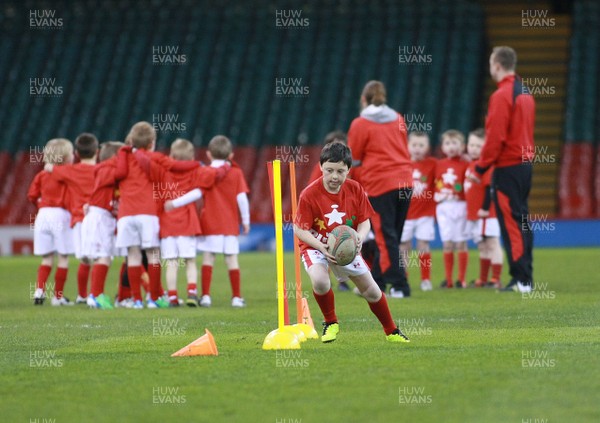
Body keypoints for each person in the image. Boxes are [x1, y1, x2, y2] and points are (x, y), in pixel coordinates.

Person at [293, 141, 410, 343]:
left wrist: (359, 239)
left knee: (372, 292)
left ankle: (392, 332)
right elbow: (299, 229)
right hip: (316, 245)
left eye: (341, 171)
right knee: (320, 281)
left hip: (346, 247)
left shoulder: (355, 189)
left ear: (349, 170)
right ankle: (331, 323)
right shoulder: (309, 194)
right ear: (320, 167)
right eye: (329, 170)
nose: (335, 176)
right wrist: (321, 246)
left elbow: (365, 221)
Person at [114, 122, 199, 308]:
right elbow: (177, 166)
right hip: (147, 212)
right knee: (153, 255)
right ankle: (153, 298)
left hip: (126, 213)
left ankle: (136, 300)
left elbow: (114, 173)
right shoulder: (154, 158)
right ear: (152, 142)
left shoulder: (122, 157)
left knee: (133, 256)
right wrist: (197, 164)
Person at [471, 46, 535, 293]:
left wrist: (480, 168)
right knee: (522, 221)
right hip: (524, 164)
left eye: (490, 64)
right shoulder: (525, 91)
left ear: (497, 65)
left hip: (508, 166)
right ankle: (525, 275)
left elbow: (495, 137)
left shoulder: (501, 95)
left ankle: (521, 279)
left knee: (512, 223)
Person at [347, 80, 413, 298]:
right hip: (405, 181)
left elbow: (353, 158)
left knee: (385, 237)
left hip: (380, 183)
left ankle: (400, 285)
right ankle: (377, 281)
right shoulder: (399, 119)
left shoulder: (360, 123)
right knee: (392, 236)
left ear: (363, 99)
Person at [169, 135, 249, 308]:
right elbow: (242, 198)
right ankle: (236, 297)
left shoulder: (204, 172)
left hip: (210, 223)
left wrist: (175, 203)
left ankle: (205, 296)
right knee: (232, 260)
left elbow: (197, 193)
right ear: (231, 155)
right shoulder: (236, 172)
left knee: (208, 259)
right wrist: (246, 221)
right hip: (229, 224)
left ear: (208, 154)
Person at [146, 138, 228, 307]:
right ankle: (191, 293)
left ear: (171, 156)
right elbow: (212, 175)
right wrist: (225, 165)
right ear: (191, 158)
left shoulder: (164, 171)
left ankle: (173, 297)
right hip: (187, 223)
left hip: (168, 223)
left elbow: (150, 162)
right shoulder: (195, 171)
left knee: (172, 263)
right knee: (190, 261)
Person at [44, 133, 99, 304]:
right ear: (97, 152)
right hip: (97, 218)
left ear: (76, 153)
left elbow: (49, 168)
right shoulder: (101, 169)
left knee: (84, 259)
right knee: (99, 258)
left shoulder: (70, 171)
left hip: (79, 220)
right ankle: (95, 295)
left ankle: (82, 295)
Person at [28, 138, 74, 306]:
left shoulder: (42, 174)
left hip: (43, 215)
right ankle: (58, 297)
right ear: (66, 156)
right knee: (63, 257)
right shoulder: (68, 172)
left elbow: (32, 195)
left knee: (46, 258)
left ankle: (39, 291)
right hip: (61, 214)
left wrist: (42, 204)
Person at [464, 129, 504, 288]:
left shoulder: (486, 166)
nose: (473, 148)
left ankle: (495, 278)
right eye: (471, 144)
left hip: (487, 214)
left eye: (478, 146)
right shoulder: (471, 164)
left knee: (493, 243)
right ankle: (483, 278)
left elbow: (491, 188)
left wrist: (485, 208)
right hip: (475, 214)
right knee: (482, 245)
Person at [400, 131, 437, 291]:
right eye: (414, 145)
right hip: (405, 214)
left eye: (421, 145)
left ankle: (425, 280)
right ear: (408, 146)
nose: (417, 148)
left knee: (423, 244)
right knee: (403, 246)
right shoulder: (402, 163)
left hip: (425, 215)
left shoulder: (434, 164)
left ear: (427, 147)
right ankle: (404, 278)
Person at [435, 130, 469, 288]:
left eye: (455, 143)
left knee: (461, 243)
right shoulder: (439, 164)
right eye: (447, 143)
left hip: (461, 205)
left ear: (462, 146)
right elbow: (436, 183)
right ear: (442, 146)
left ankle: (461, 279)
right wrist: (439, 194)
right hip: (444, 206)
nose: (451, 146)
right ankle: (448, 280)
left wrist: (456, 192)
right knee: (447, 243)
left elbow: (467, 186)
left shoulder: (466, 164)